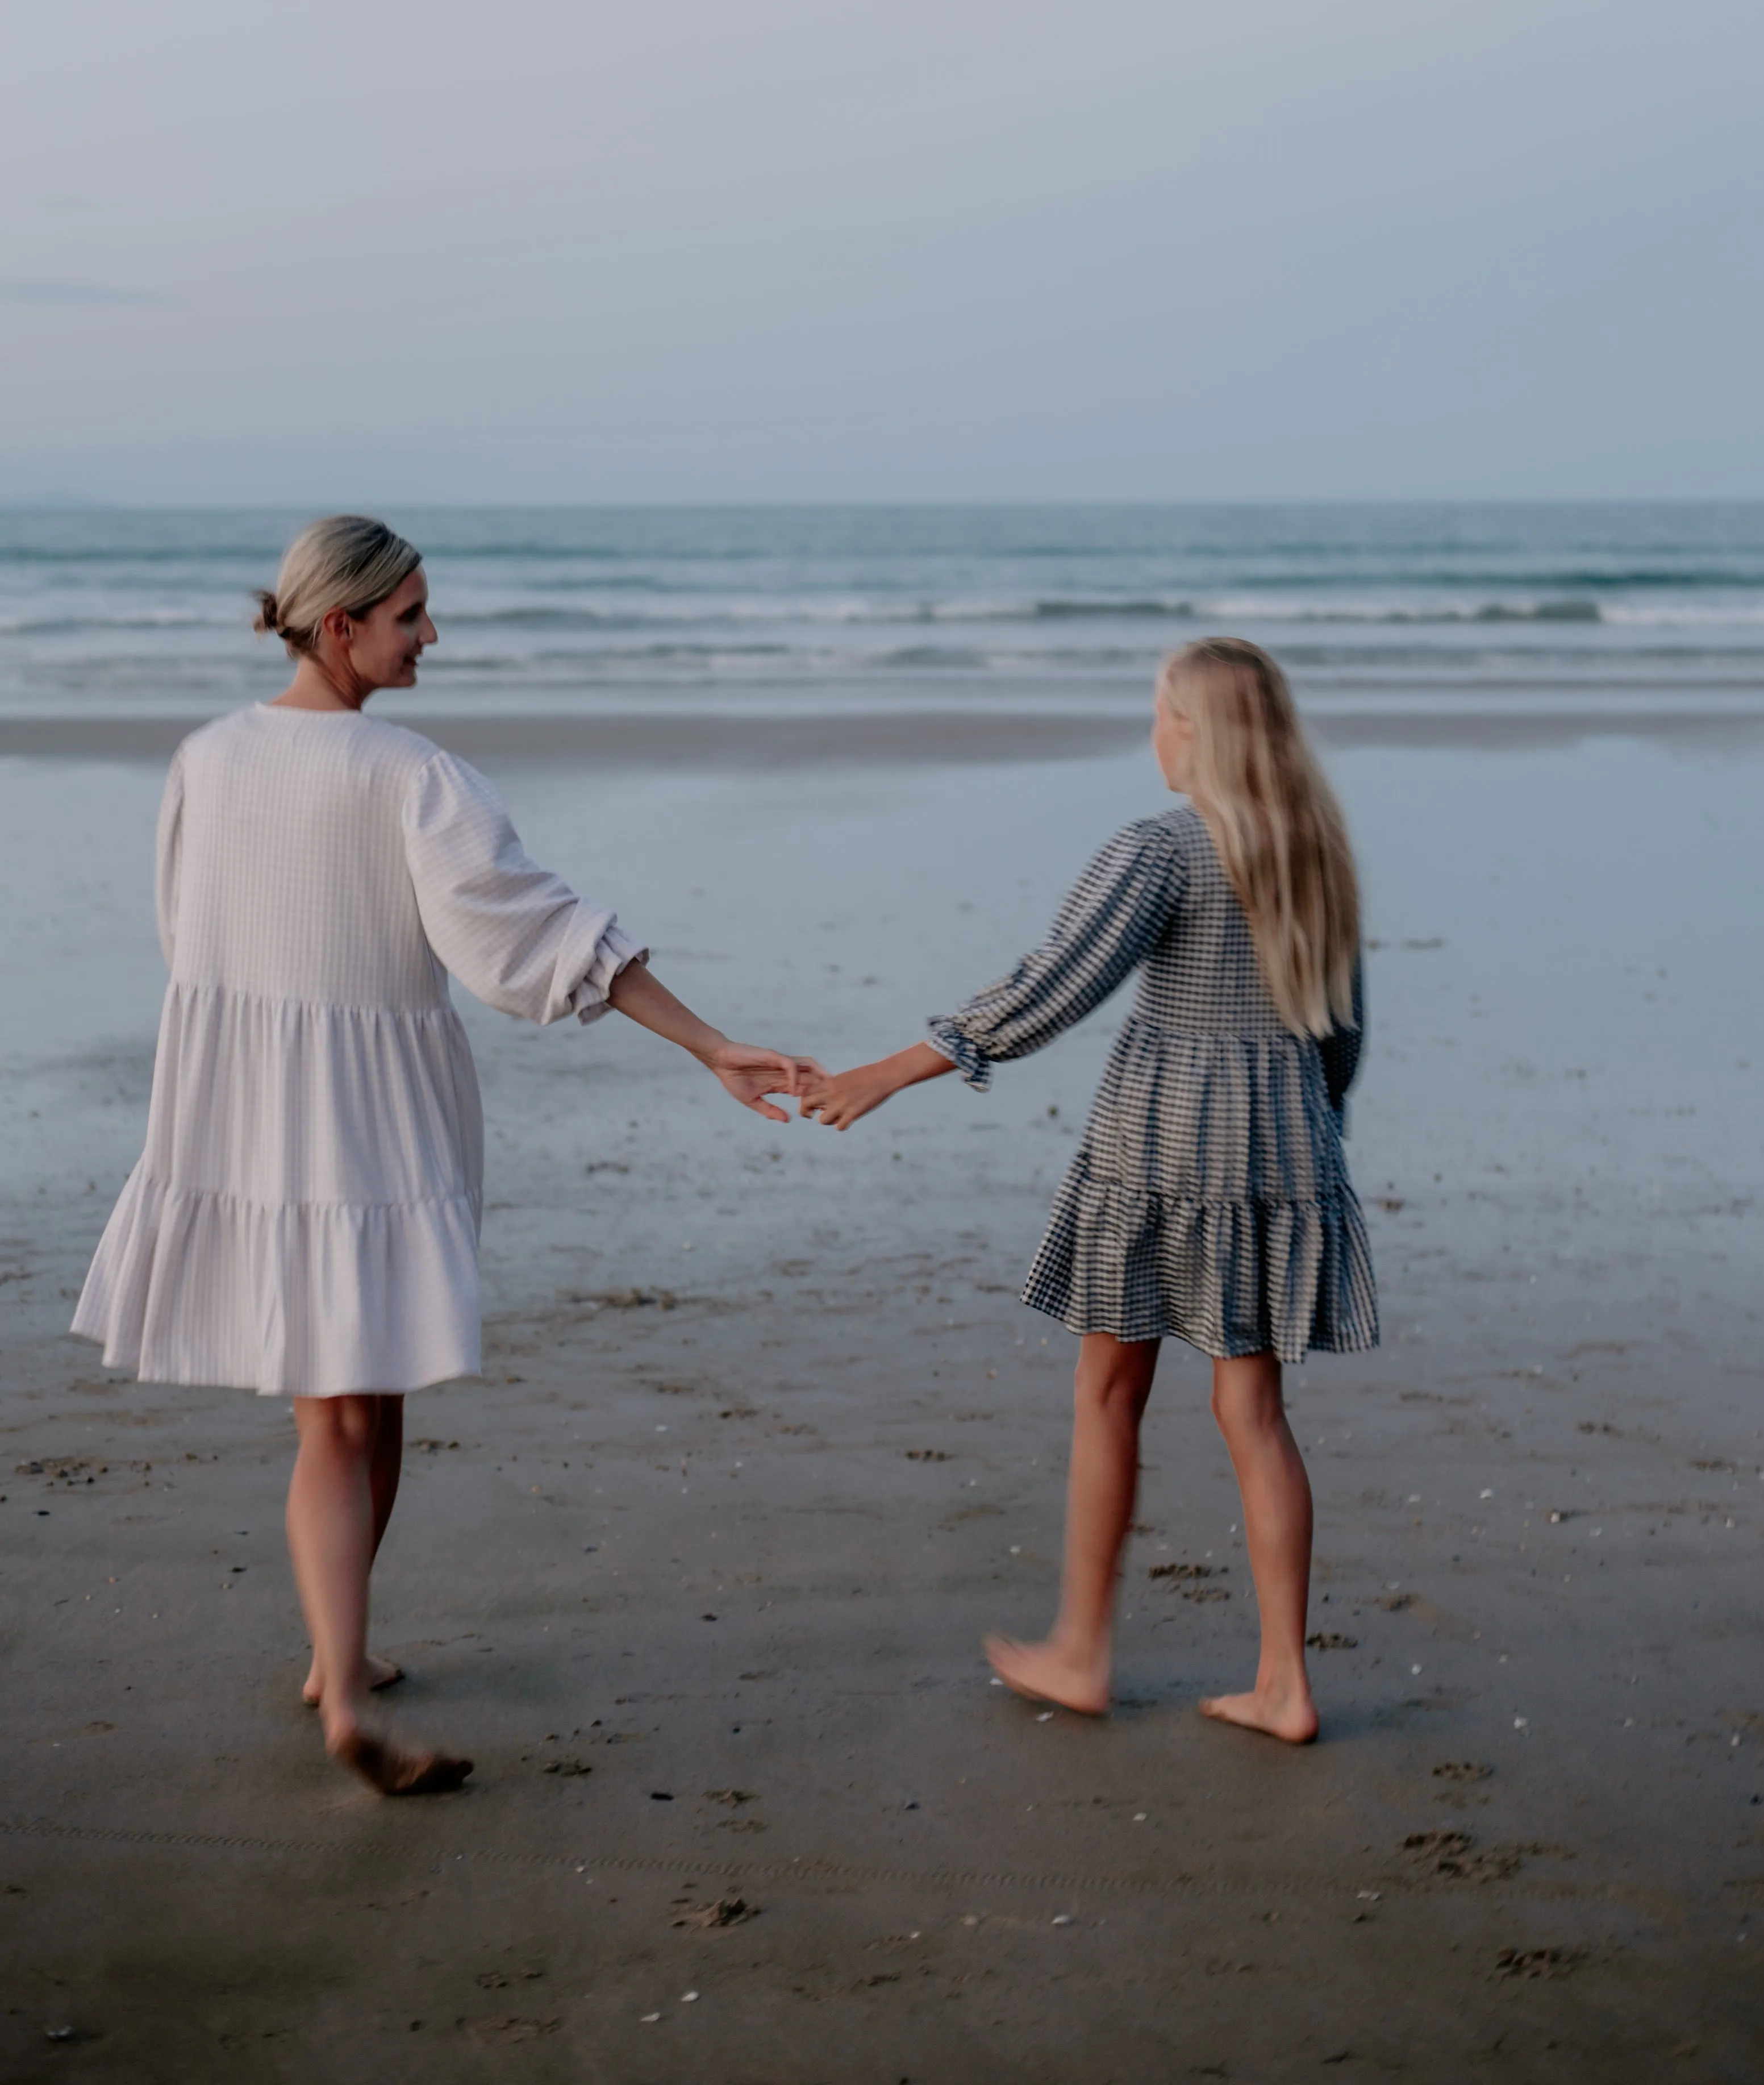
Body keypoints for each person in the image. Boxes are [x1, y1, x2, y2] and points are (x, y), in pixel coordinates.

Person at [73, 516, 812, 1797]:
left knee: (363, 1395)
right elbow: (537, 936)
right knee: (348, 1409)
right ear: (342, 623)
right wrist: (707, 1043)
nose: (432, 637)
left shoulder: (206, 757)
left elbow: (183, 933)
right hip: (368, 1109)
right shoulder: (408, 774)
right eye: (412, 615)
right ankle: (346, 1694)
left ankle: (333, 1652)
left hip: (245, 1102)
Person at [800, 636, 1374, 1742]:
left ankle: (1081, 1649)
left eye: (1158, 710)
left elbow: (1051, 986)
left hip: (1165, 1145)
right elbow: (1341, 1030)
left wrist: (889, 1070)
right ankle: (1284, 1681)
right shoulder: (1316, 850)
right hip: (1281, 1152)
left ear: (1195, 729)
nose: (1149, 730)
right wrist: (1317, 1142)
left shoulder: (1161, 850)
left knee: (1109, 1390)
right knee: (1254, 1412)